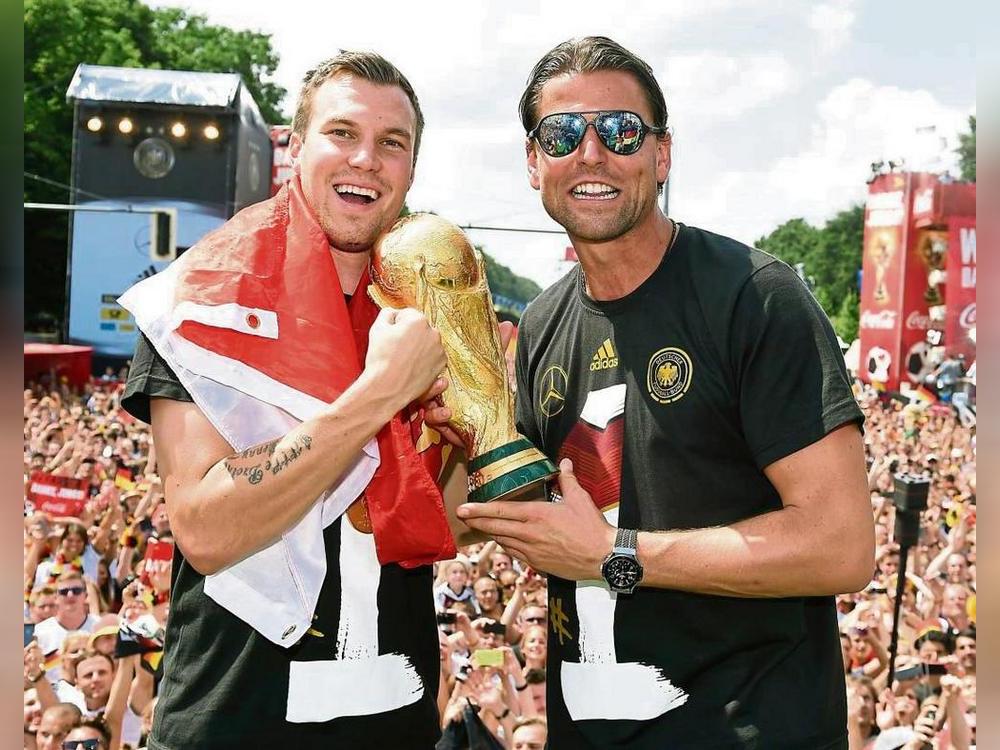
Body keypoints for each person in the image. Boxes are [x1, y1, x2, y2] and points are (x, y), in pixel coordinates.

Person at [446, 36, 874, 748]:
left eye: (619, 130)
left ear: (660, 155)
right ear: (533, 162)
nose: (591, 154)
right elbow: (492, 510)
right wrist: (433, 419)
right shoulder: (545, 321)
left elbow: (841, 546)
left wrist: (615, 555)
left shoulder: (756, 298)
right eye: (561, 134)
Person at [116, 51, 456, 748]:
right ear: (295, 147)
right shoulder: (199, 297)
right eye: (342, 133)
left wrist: (461, 452)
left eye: (392, 143)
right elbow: (207, 533)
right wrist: (380, 394)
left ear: (411, 169)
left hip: (391, 718)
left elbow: (431, 530)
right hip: (233, 722)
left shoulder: (432, 309)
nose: (367, 158)